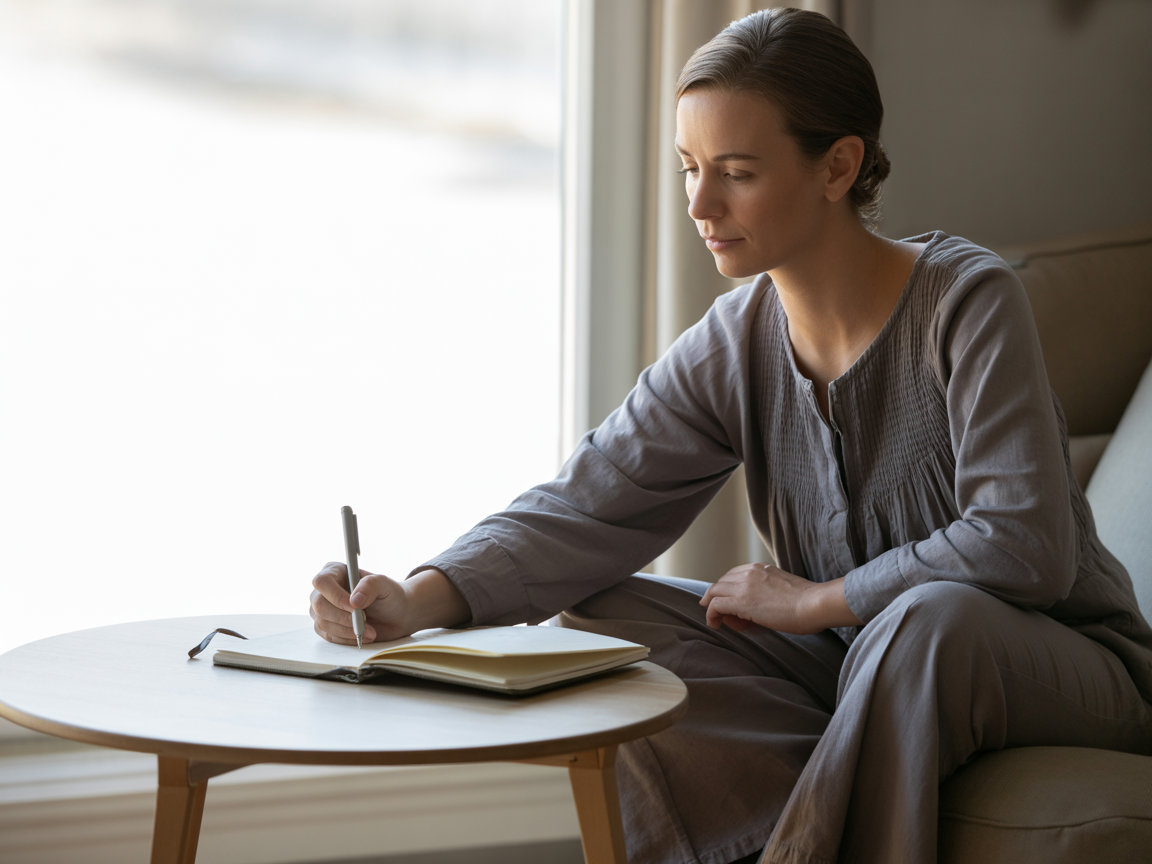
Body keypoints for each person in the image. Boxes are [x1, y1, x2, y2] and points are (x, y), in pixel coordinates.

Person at [310, 9, 1152, 864]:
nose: (700, 205)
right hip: (852, 664)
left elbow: (1022, 546)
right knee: (607, 614)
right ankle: (803, 814)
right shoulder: (737, 336)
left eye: (737, 173)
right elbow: (586, 503)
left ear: (839, 165)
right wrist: (417, 599)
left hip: (1060, 667)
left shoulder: (969, 301)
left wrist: (816, 601)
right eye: (689, 169)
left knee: (929, 621)